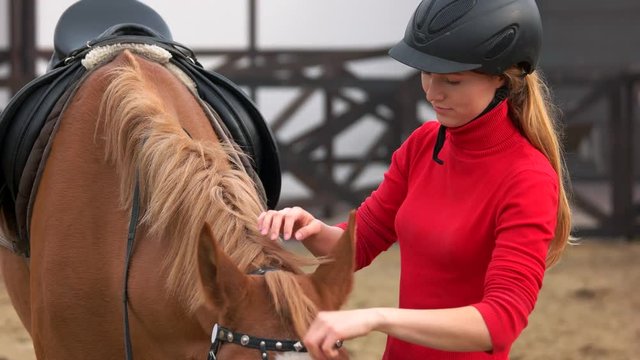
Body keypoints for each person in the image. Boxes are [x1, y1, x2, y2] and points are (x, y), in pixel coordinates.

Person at [257, 0, 572, 359]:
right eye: (427, 73)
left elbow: (499, 323)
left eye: (452, 80)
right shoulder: (424, 143)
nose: (433, 92)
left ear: (502, 77)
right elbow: (359, 245)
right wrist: (311, 229)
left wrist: (377, 317)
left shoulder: (528, 179)